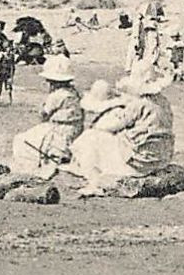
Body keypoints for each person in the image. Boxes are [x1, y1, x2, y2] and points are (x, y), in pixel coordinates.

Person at [64, 65, 175, 193]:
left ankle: (93, 179)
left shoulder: (138, 104)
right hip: (161, 155)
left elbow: (110, 127)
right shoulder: (163, 102)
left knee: (90, 137)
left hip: (140, 160)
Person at [10, 56, 83, 175]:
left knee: (21, 139)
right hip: (75, 128)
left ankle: (30, 167)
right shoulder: (73, 93)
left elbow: (44, 114)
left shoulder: (56, 96)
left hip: (58, 130)